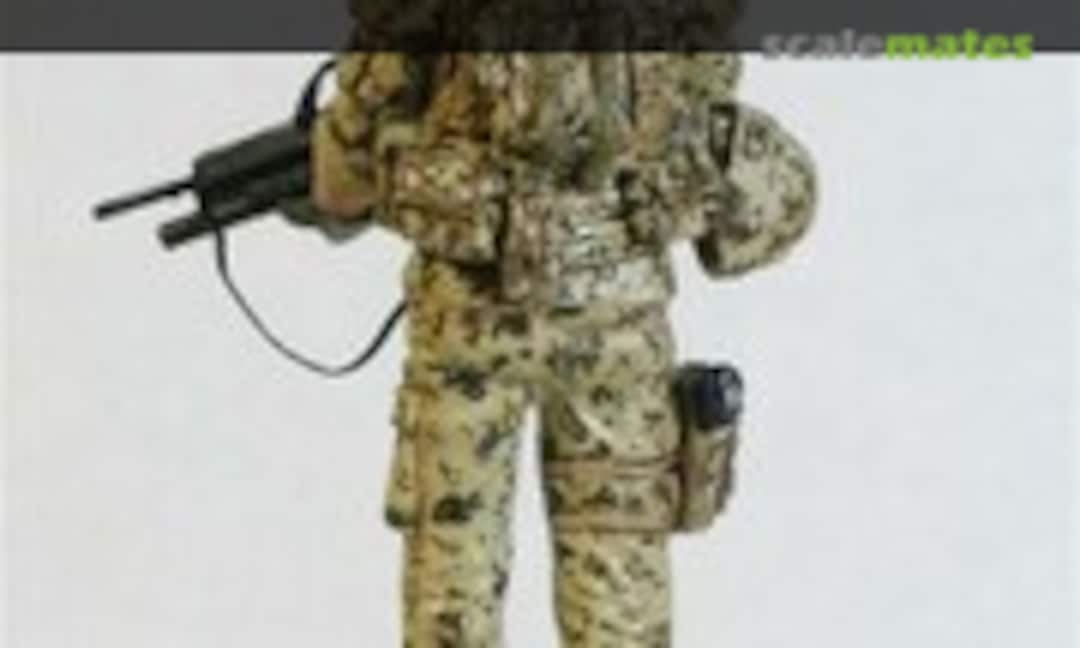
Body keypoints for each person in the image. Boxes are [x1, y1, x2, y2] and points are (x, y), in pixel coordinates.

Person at [296, 49, 816, 648]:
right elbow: (709, 105)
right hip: (616, 322)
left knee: (453, 586)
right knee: (618, 586)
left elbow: (344, 177)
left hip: (473, 323)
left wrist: (356, 153)